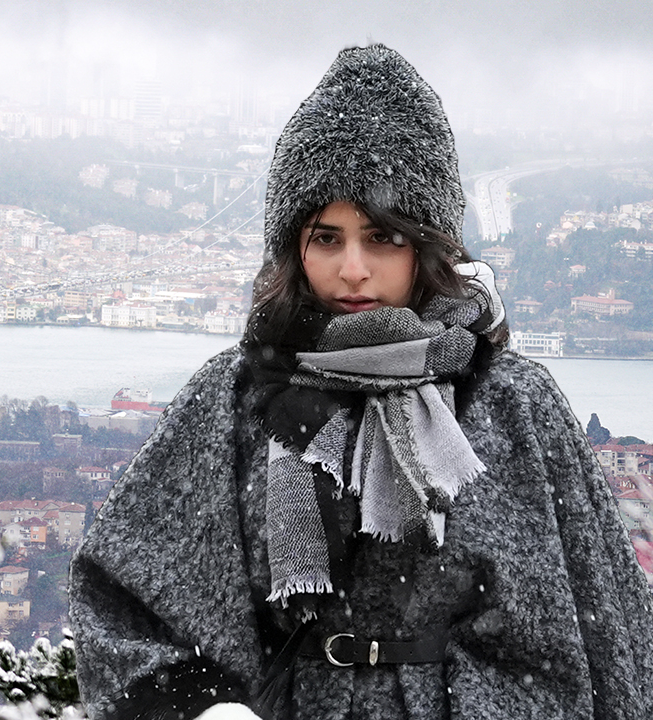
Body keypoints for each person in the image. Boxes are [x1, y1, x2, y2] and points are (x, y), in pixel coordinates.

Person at [68, 44, 653, 720]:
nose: (352, 269)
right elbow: (123, 599)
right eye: (326, 237)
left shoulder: (516, 405)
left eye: (382, 238)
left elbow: (609, 630)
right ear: (293, 247)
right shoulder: (231, 400)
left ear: (427, 245)